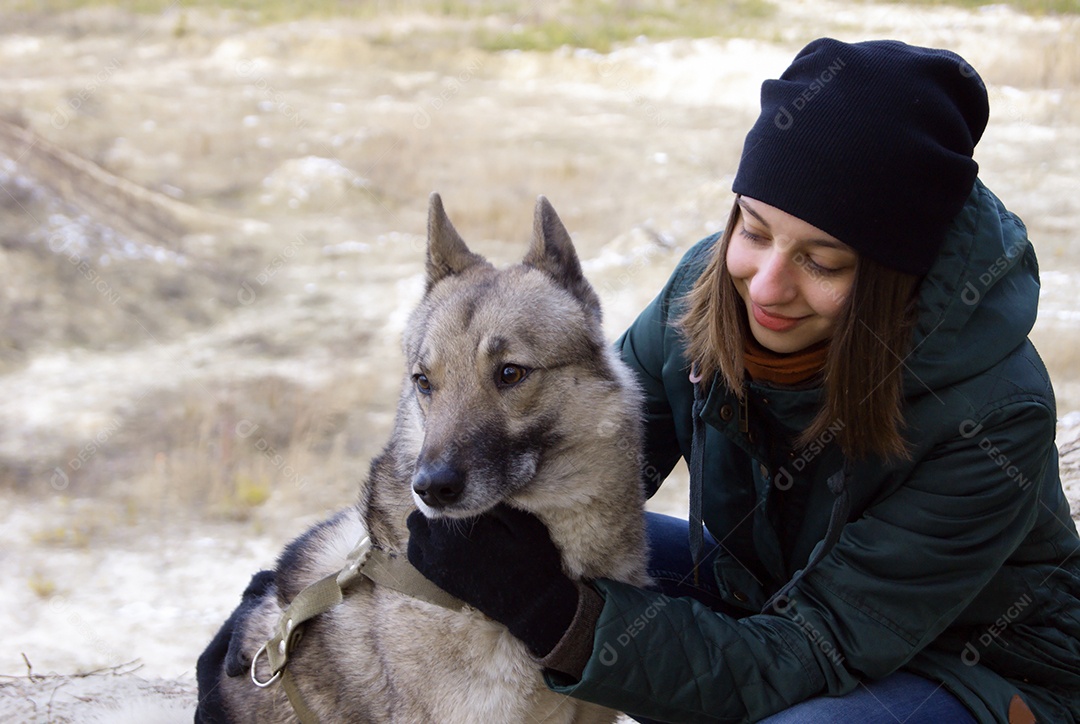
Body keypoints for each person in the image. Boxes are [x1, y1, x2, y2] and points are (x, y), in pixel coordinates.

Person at [406, 38, 1080, 722]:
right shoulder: (705, 294)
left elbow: (814, 648)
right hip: (768, 589)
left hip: (978, 669)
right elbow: (601, 454)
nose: (766, 284)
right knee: (542, 547)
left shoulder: (995, 412)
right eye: (755, 230)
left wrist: (557, 615)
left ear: (891, 278)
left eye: (822, 262)